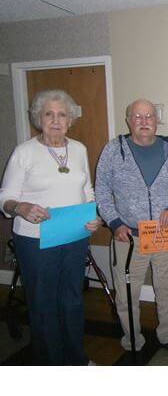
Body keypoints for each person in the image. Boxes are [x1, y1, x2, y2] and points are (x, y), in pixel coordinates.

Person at [0, 89, 101, 365]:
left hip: (74, 235)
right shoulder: (25, 152)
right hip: (35, 240)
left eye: (62, 115)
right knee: (43, 304)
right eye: (49, 114)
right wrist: (20, 208)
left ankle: (76, 359)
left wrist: (95, 216)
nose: (56, 120)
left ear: (70, 120)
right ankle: (51, 364)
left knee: (72, 299)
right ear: (38, 118)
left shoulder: (79, 149)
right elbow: (5, 197)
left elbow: (87, 189)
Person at [95, 99, 168, 358]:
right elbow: (102, 191)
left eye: (149, 116)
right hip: (127, 237)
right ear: (128, 120)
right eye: (137, 116)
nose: (143, 121)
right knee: (127, 294)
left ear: (156, 120)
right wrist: (115, 222)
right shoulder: (113, 150)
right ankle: (132, 342)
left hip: (163, 236)